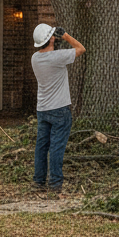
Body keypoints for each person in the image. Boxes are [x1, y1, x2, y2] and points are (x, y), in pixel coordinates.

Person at [31, 22, 85, 194]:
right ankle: (55, 183)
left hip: (43, 108)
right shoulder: (58, 57)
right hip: (60, 108)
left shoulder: (35, 58)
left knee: (42, 146)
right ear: (51, 39)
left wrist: (54, 39)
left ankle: (39, 181)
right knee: (56, 147)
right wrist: (66, 36)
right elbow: (81, 48)